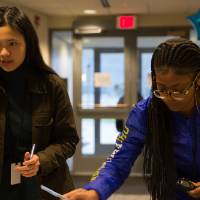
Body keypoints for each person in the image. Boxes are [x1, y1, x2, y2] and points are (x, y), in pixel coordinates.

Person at [63, 38, 200, 200]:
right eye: (161, 89)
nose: (168, 98)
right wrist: (94, 191)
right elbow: (120, 157)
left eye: (178, 90)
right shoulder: (146, 112)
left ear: (197, 80)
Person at [0, 6, 79, 200]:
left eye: (12, 43)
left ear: (29, 44)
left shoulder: (51, 85)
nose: (4, 52)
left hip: (45, 185)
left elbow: (68, 140)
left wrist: (41, 160)